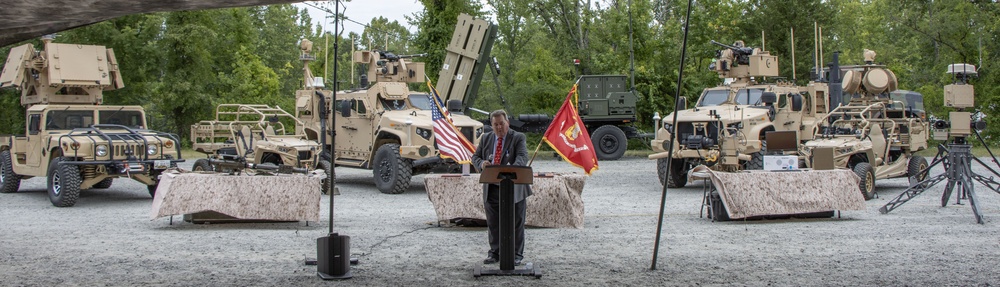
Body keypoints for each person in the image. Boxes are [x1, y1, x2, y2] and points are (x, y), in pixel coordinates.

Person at [471, 109, 531, 265]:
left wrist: (509, 171)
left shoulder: (518, 137)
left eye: (502, 124)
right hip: (491, 187)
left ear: (508, 123)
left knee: (516, 222)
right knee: (493, 222)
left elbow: (522, 157)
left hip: (514, 187)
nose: (499, 128)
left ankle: (516, 254)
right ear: (491, 125)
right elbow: (475, 157)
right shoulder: (485, 138)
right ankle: (495, 253)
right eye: (495, 124)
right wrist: (481, 163)